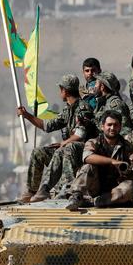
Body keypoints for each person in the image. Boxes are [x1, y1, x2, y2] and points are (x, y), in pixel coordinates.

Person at [17, 74, 92, 202]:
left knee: (67, 147)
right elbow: (47, 126)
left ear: (65, 91)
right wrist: (26, 115)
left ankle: (66, 188)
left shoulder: (83, 108)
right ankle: (32, 190)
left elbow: (80, 135)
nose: (60, 93)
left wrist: (65, 142)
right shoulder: (67, 110)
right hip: (67, 150)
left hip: (82, 151)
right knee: (38, 152)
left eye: (60, 89)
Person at [66, 110, 133, 211]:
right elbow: (87, 157)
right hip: (95, 185)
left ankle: (94, 202)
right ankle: (75, 197)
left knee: (131, 186)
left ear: (120, 127)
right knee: (88, 167)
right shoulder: (94, 142)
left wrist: (127, 172)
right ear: (102, 126)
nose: (112, 128)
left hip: (115, 190)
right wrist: (112, 161)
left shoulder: (127, 146)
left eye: (116, 125)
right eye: (109, 125)